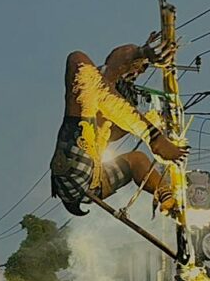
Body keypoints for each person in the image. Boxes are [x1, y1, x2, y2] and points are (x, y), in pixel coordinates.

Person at [50, 38, 187, 218]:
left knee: (136, 159)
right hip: (72, 168)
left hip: (93, 181)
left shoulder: (113, 109)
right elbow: (114, 61)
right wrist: (142, 53)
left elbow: (118, 126)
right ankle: (152, 136)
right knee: (79, 61)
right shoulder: (98, 83)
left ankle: (166, 196)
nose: (137, 73)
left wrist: (153, 119)